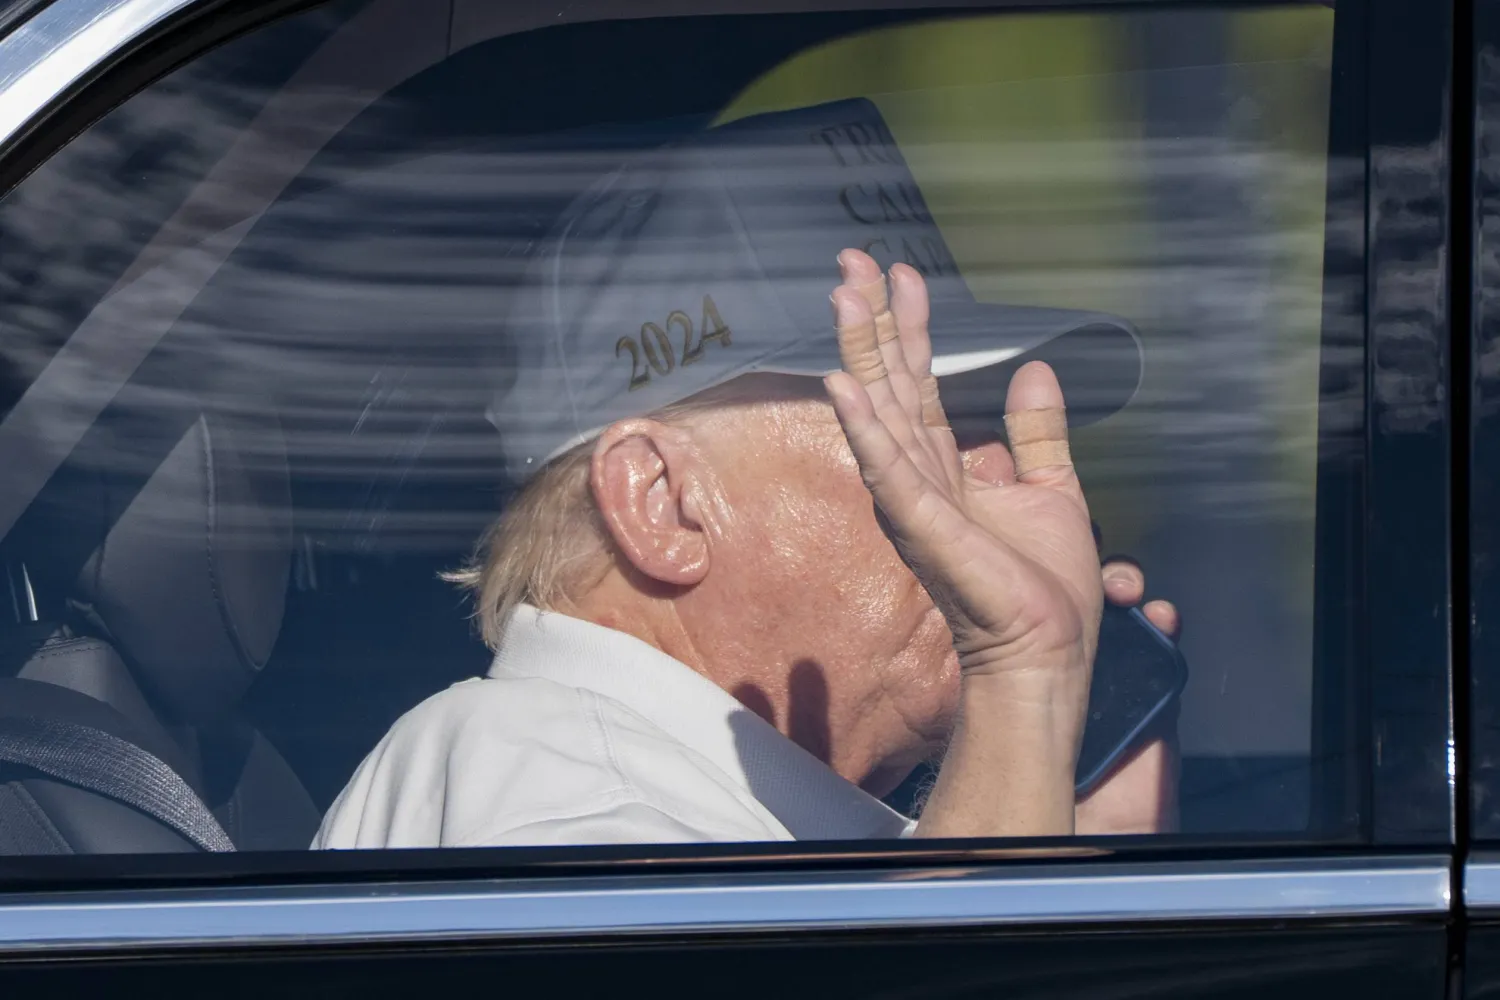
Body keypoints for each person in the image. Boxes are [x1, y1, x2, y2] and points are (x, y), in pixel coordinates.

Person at [313, 99, 1179, 849]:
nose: (996, 468)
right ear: (663, 504)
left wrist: (1070, 833)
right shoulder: (560, 801)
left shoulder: (658, 804)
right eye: (910, 423)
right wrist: (1024, 678)